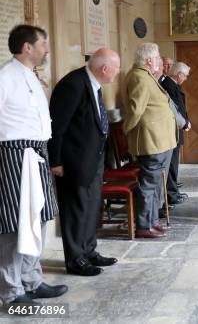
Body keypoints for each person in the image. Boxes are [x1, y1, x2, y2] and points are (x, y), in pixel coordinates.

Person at [0, 24, 67, 305]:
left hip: (37, 154)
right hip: (14, 156)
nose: (46, 50)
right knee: (16, 224)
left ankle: (31, 280)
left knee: (38, 219)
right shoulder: (5, 77)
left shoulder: (31, 76)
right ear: (28, 47)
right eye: (43, 44)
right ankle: (10, 292)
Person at [48, 48, 121, 276]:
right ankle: (75, 259)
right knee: (75, 210)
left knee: (90, 208)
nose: (117, 74)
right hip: (74, 160)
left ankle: (89, 251)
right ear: (105, 68)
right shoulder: (73, 84)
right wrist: (56, 160)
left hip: (92, 159)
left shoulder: (93, 84)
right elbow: (57, 126)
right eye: (116, 69)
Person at [124, 43, 177, 238]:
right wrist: (126, 131)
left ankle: (153, 221)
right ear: (149, 60)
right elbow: (136, 110)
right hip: (151, 141)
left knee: (155, 184)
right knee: (149, 185)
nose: (160, 62)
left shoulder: (146, 76)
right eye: (157, 59)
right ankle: (144, 225)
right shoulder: (139, 77)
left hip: (159, 140)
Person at [159, 61, 191, 206]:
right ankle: (171, 194)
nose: (186, 79)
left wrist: (185, 121)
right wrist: (184, 122)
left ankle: (173, 192)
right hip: (173, 129)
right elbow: (174, 108)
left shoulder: (173, 85)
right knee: (171, 164)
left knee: (174, 163)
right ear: (179, 75)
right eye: (186, 76)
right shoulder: (168, 85)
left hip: (177, 128)